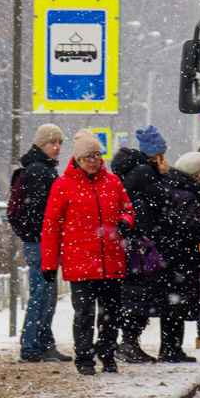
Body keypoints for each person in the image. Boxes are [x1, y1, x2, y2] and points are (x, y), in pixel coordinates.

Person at [41, 128, 133, 376]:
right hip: (79, 262)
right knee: (84, 313)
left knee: (111, 313)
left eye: (96, 156)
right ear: (77, 159)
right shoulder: (62, 185)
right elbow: (51, 227)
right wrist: (49, 264)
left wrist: (125, 221)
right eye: (86, 157)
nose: (92, 161)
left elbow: (127, 208)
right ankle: (84, 357)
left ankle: (107, 351)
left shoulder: (113, 182)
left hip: (111, 259)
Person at [114, 125, 195, 364]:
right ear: (156, 153)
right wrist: (164, 176)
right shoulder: (145, 173)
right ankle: (131, 345)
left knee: (140, 295)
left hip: (138, 243)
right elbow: (163, 203)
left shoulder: (134, 171)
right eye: (162, 152)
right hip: (147, 245)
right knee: (141, 296)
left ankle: (133, 344)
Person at [8, 123, 69, 363]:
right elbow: (40, 210)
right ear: (41, 144)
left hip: (41, 241)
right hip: (42, 242)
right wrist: (41, 235)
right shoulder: (39, 170)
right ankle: (32, 345)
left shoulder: (41, 168)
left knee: (47, 294)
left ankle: (42, 343)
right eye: (53, 142)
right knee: (42, 294)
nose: (57, 147)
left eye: (60, 143)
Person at [167, 151, 200, 349]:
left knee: (174, 305)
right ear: (197, 176)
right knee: (180, 304)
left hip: (176, 256)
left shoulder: (174, 188)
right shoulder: (189, 196)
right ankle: (173, 348)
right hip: (186, 257)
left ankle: (172, 347)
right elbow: (189, 227)